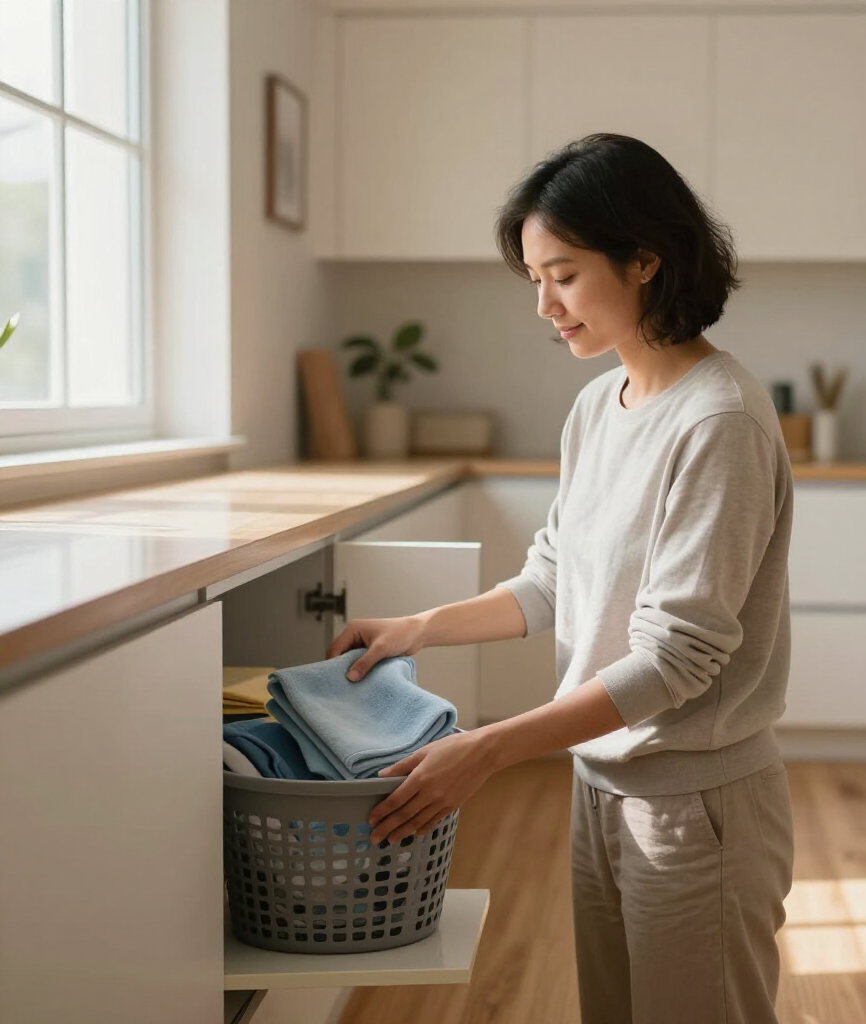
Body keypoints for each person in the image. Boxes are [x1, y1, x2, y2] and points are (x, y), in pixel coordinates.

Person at [327, 133, 794, 1024]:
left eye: (565, 275)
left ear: (646, 261)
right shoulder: (599, 403)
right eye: (534, 278)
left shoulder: (719, 420)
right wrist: (417, 627)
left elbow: (676, 661)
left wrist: (490, 748)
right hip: (602, 787)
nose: (544, 305)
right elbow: (552, 579)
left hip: (697, 805)